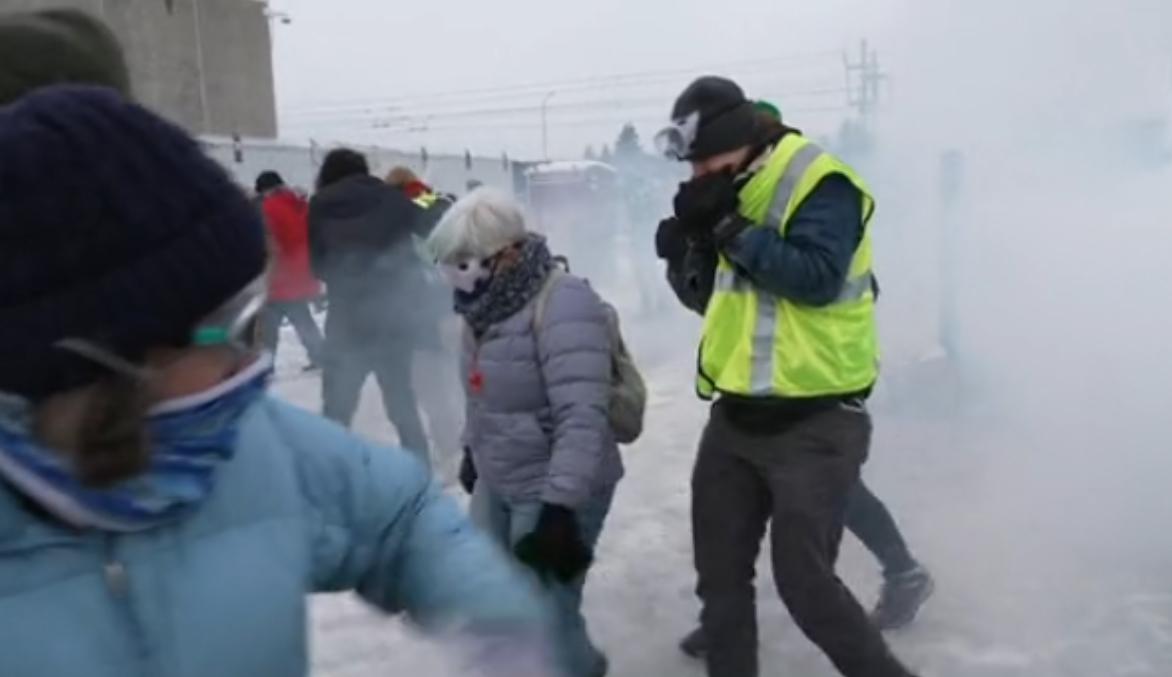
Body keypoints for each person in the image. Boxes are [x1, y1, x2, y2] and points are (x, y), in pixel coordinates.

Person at [0, 83, 558, 677]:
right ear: (99, 358)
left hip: (348, 319)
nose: (252, 364)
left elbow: (392, 513)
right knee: (399, 399)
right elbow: (427, 240)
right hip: (388, 323)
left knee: (339, 400)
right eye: (233, 327)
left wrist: (491, 613)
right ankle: (430, 445)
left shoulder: (246, 442)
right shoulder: (398, 201)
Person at [652, 76, 922, 677]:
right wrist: (685, 255)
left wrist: (725, 227)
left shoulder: (820, 181)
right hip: (734, 418)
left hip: (817, 420)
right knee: (719, 579)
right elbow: (713, 302)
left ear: (741, 140)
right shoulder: (730, 186)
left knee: (806, 586)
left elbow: (817, 279)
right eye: (692, 165)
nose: (699, 173)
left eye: (706, 160)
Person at [428, 188, 623, 677]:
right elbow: (480, 392)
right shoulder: (481, 304)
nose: (454, 274)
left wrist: (560, 508)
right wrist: (473, 450)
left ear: (508, 253)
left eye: (464, 261)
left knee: (544, 613)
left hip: (558, 485)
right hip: (501, 474)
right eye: (447, 263)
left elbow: (583, 414)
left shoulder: (564, 303)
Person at [307, 148, 432, 463]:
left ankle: (329, 478)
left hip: (346, 321)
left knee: (337, 409)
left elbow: (317, 266)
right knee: (402, 405)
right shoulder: (392, 198)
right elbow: (430, 221)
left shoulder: (319, 204)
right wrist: (425, 194)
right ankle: (420, 475)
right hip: (392, 316)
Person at [385, 166, 465, 482]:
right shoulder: (437, 201)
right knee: (452, 375)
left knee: (431, 385)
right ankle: (459, 437)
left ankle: (449, 449)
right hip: (451, 303)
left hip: (423, 308)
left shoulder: (398, 213)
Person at [254, 170, 326, 370]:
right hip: (302, 271)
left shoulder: (268, 209)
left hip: (280, 274)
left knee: (270, 325)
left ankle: (265, 365)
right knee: (302, 318)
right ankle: (320, 356)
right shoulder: (300, 204)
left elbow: (270, 244)